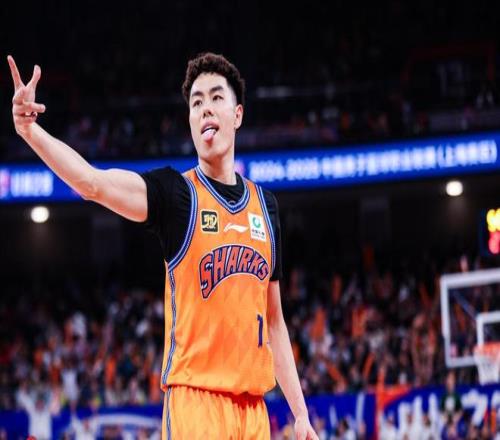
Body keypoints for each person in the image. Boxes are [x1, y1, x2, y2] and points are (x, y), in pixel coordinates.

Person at [8, 52, 318, 440]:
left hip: (253, 410)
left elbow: (274, 320)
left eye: (216, 98)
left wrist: (300, 413)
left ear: (237, 115)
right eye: (196, 103)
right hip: (196, 404)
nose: (206, 109)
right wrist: (30, 132)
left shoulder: (265, 207)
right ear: (190, 120)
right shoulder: (176, 194)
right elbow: (93, 183)